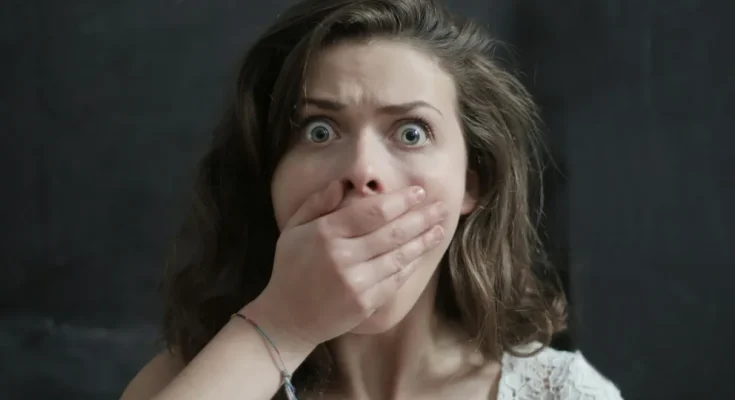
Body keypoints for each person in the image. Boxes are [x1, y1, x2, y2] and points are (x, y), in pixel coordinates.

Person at [121, 0, 623, 399]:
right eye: (319, 130)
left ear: (472, 182)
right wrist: (282, 326)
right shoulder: (186, 382)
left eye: (411, 132)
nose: (363, 171)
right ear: (269, 176)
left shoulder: (562, 393)